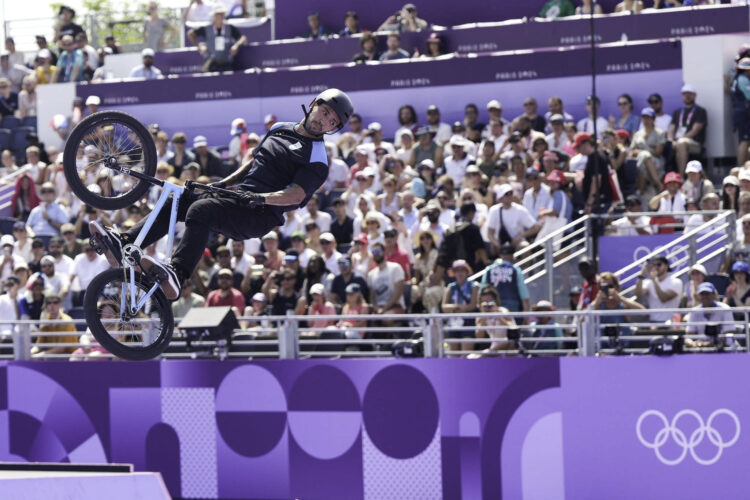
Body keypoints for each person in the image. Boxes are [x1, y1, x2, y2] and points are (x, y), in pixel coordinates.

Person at [589, 272, 645, 348]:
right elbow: (582, 320)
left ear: (616, 287)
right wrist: (597, 300)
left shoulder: (624, 305)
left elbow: (643, 312)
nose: (607, 289)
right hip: (602, 348)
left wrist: (620, 298)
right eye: (603, 287)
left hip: (622, 347)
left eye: (610, 286)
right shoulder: (598, 305)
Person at [187, 5, 247, 73]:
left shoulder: (230, 28)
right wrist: (199, 46)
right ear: (214, 16)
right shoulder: (207, 28)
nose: (220, 16)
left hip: (227, 64)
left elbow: (243, 38)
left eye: (222, 14)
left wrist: (236, 46)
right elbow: (190, 34)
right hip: (211, 65)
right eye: (218, 14)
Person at [668, 83, 708, 176]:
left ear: (694, 95)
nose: (687, 96)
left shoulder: (700, 111)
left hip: (695, 144)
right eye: (685, 94)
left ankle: (681, 176)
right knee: (669, 144)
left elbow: (695, 130)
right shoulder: (677, 112)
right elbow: (671, 129)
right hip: (678, 142)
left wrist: (678, 141)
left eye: (689, 94)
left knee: (682, 143)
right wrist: (671, 141)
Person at [487, 184, 541, 252]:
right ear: (500, 198)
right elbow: (490, 233)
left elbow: (535, 228)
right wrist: (497, 244)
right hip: (500, 243)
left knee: (524, 246)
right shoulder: (494, 210)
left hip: (517, 243)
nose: (509, 196)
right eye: (506, 194)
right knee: (492, 247)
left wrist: (520, 236)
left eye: (511, 193)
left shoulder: (520, 210)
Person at [481, 244, 530, 314]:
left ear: (500, 255)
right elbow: (524, 294)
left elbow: (481, 291)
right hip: (511, 306)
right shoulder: (515, 270)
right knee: (510, 324)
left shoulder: (489, 269)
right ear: (513, 256)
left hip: (492, 306)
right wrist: (526, 315)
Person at [441, 260, 479, 352]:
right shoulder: (450, 287)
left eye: (462, 270)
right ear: (453, 273)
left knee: (466, 354)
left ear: (467, 271)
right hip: (454, 322)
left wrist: (455, 308)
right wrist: (459, 307)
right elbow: (444, 307)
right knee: (454, 355)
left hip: (469, 321)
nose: (460, 273)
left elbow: (473, 305)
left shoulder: (474, 286)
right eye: (457, 270)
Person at [634, 255, 683, 323]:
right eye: (653, 265)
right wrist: (642, 274)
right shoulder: (648, 282)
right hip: (653, 322)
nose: (656, 267)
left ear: (666, 266)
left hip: (671, 323)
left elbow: (663, 298)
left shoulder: (676, 282)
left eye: (659, 264)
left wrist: (654, 280)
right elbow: (638, 294)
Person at [685, 283, 735, 347]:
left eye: (707, 294)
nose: (705, 296)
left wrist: (712, 343)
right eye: (702, 294)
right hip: (700, 349)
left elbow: (729, 333)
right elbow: (689, 336)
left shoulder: (725, 309)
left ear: (714, 295)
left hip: (724, 349)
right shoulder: (694, 311)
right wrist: (693, 344)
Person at [731, 58, 750, 165]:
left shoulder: (736, 78)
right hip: (744, 114)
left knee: (746, 142)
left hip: (740, 113)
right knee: (745, 141)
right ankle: (740, 168)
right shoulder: (743, 79)